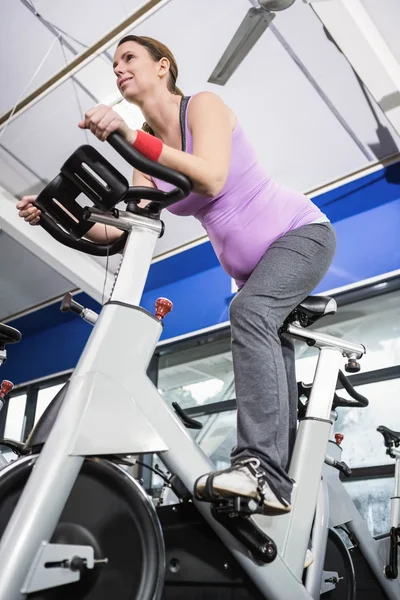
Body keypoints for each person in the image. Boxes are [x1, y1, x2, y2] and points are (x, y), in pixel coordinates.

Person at [17, 36, 336, 520]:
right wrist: (54, 216)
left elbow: (209, 177)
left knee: (248, 313)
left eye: (129, 59)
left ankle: (260, 471)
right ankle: (281, 487)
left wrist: (130, 135)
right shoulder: (141, 148)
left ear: (162, 67)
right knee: (261, 328)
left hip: (300, 234)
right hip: (252, 271)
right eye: (115, 64)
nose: (119, 69)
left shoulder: (202, 106)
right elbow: (120, 230)